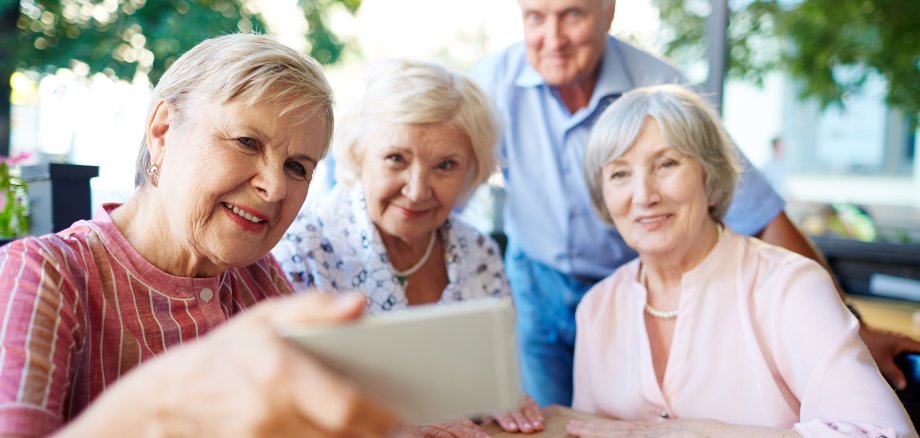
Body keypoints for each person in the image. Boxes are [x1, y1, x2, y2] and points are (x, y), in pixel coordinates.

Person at [469, 0, 920, 406]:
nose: (553, 38)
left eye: (572, 14)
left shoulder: (657, 85)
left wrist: (853, 331)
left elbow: (759, 212)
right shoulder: (491, 84)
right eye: (535, 17)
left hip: (634, 288)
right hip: (537, 284)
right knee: (556, 420)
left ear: (608, 12)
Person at [0, 34, 400, 437]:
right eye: (247, 142)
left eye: (297, 167)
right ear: (162, 131)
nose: (275, 187)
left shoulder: (258, 277)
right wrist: (163, 408)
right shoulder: (42, 273)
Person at [568, 84, 914, 437]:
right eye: (620, 174)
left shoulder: (790, 287)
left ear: (710, 174)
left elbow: (884, 433)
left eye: (666, 164)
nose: (643, 196)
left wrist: (697, 434)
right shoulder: (597, 308)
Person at [272, 60, 544, 434]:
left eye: (446, 165)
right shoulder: (300, 248)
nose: (417, 191)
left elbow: (487, 387)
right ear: (358, 153)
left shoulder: (478, 252)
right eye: (396, 158)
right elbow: (284, 402)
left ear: (471, 172)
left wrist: (497, 402)